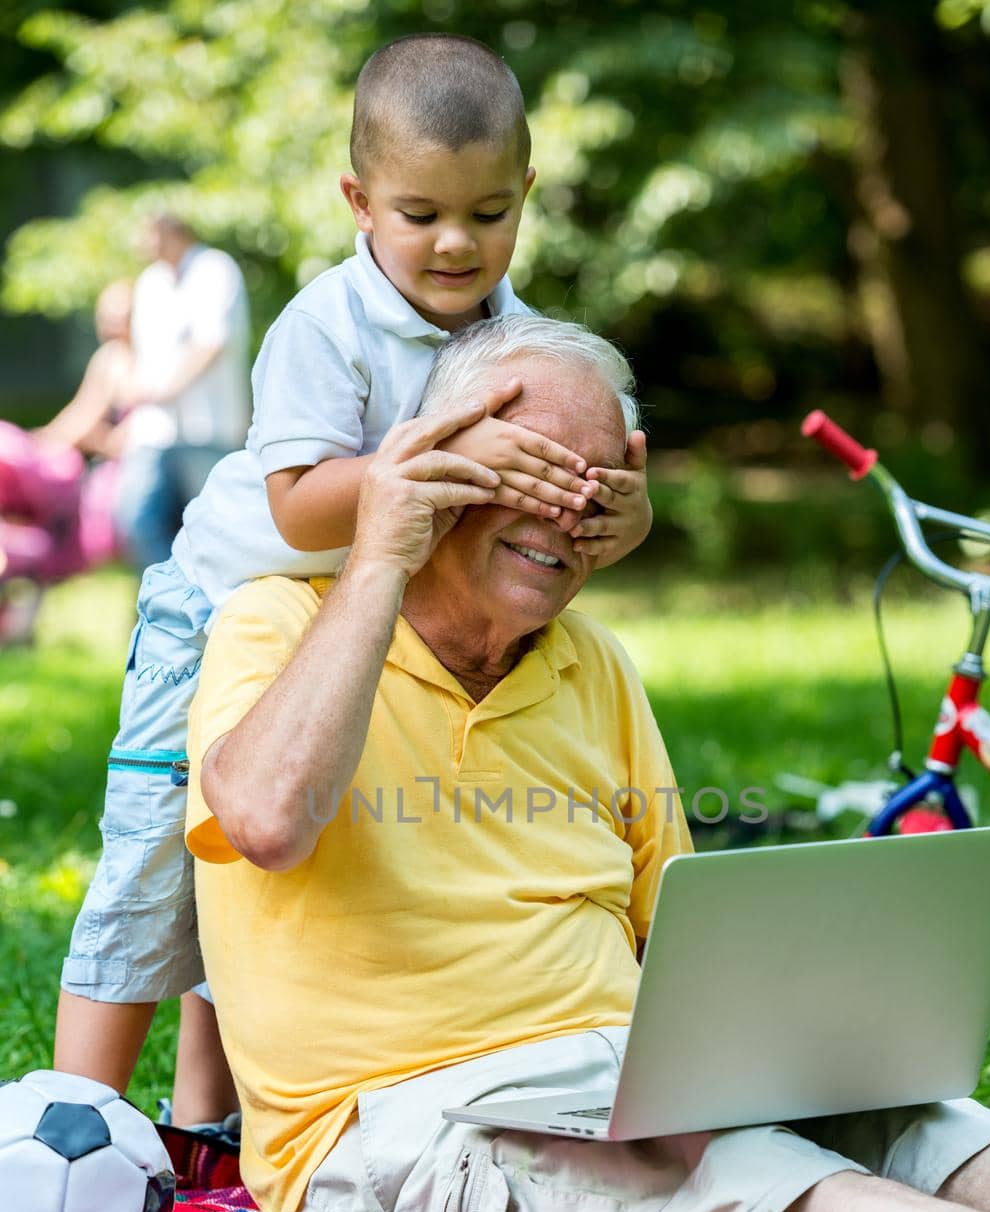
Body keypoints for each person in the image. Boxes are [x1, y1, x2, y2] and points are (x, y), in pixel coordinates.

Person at [183, 315, 990, 1212]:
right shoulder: (279, 622)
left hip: (622, 1082)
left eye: (597, 485)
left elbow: (672, 939)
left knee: (931, 1129)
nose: (566, 512)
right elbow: (265, 819)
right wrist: (381, 557)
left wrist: (779, 1061)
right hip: (409, 1121)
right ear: (436, 466)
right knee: (746, 1179)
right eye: (533, 470)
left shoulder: (593, 662)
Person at [54, 35, 652, 1142]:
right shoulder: (324, 328)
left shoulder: (522, 334)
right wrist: (417, 473)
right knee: (153, 854)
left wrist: (628, 510)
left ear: (526, 195)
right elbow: (292, 505)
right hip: (222, 604)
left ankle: (203, 1125)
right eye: (420, 212)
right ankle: (67, 1117)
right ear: (358, 201)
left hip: (363, 623)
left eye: (487, 211)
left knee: (277, 875)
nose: (456, 241)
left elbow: (590, 465)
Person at [0, 280, 136, 644]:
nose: (110, 325)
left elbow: (94, 423)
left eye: (119, 316)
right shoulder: (109, 358)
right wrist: (39, 443)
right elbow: (82, 414)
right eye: (104, 316)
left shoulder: (143, 356)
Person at [117, 213, 250, 573]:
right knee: (135, 519)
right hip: (155, 430)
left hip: (209, 427)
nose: (143, 245)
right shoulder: (150, 281)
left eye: (148, 235)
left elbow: (212, 342)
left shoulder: (215, 269)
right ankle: (172, 596)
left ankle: (211, 609)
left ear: (171, 232)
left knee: (213, 529)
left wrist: (162, 389)